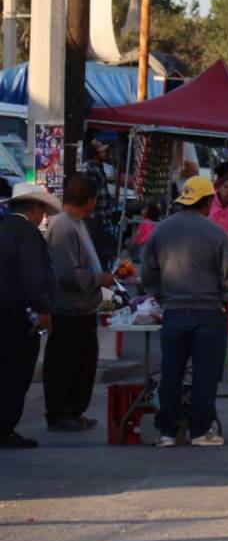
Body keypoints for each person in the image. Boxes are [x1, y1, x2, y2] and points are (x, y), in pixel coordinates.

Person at [140, 177, 228, 446]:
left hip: (173, 310)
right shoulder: (217, 233)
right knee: (205, 374)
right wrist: (227, 302)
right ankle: (200, 431)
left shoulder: (160, 231)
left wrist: (162, 296)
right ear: (208, 202)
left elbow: (147, 272)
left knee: (171, 371)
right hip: (209, 313)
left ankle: (167, 432)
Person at [43, 175, 117, 432]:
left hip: (83, 308)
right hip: (68, 309)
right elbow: (67, 273)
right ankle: (61, 411)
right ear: (90, 201)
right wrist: (99, 279)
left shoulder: (77, 224)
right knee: (66, 362)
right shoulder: (63, 226)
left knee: (83, 362)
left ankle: (74, 410)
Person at [0, 184, 60, 448]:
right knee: (16, 374)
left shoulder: (3, 228)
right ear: (34, 207)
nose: (43, 217)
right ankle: (5, 427)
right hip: (18, 314)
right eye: (42, 210)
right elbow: (31, 276)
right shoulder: (27, 232)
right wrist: (43, 308)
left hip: (5, 311)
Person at [81, 135, 117, 267]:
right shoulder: (88, 168)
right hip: (92, 217)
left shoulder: (98, 167)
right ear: (95, 153)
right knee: (93, 252)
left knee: (101, 252)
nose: (105, 153)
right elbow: (86, 193)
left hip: (100, 218)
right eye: (102, 151)